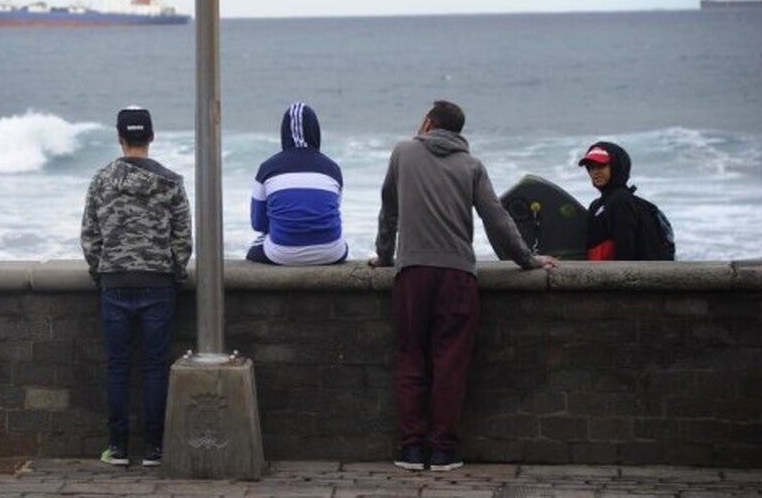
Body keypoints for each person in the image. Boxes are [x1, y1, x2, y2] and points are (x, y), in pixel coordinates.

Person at [368, 100, 556, 472]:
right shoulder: (471, 165)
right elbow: (497, 220)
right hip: (456, 276)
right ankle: (442, 451)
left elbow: (389, 212)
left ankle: (411, 449)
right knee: (450, 363)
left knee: (411, 359)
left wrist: (385, 256)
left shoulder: (403, 153)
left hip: (413, 273)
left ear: (428, 123)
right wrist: (528, 261)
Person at [81, 106, 192, 469]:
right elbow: (182, 240)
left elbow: (90, 236)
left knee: (117, 367)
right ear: (151, 137)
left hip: (115, 283)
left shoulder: (101, 180)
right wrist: (173, 273)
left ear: (120, 138)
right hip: (157, 284)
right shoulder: (171, 183)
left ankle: (117, 448)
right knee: (155, 367)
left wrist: (102, 274)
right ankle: (154, 450)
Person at [246, 102, 348, 265]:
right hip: (331, 253)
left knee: (255, 247)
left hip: (282, 254)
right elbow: (329, 212)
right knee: (339, 241)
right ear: (316, 132)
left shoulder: (267, 168)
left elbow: (258, 223)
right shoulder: (333, 169)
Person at [579, 141, 642, 261]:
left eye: (601, 166)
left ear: (616, 167)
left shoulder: (621, 201)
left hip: (614, 272)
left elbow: (626, 250)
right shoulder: (597, 204)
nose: (595, 172)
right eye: (591, 167)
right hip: (597, 270)